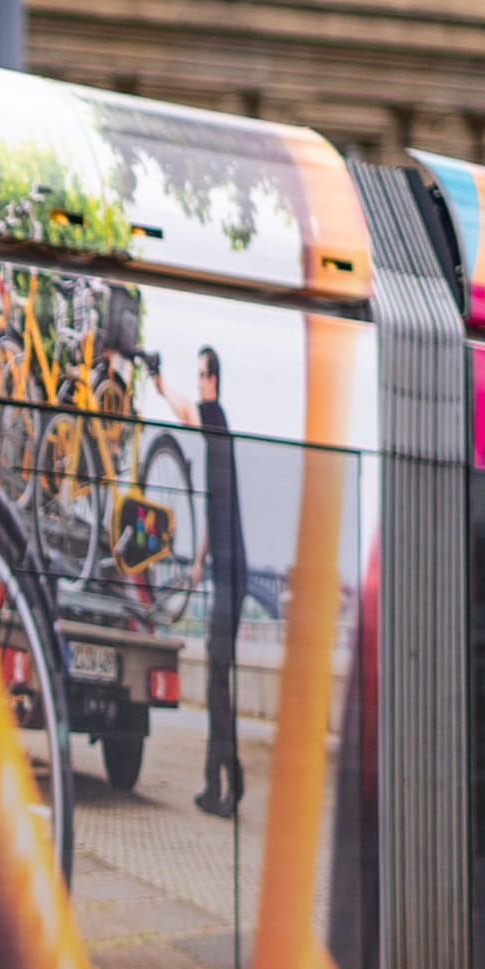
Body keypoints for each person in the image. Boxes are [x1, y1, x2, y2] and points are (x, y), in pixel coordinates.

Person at [190, 343, 253, 822]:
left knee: (216, 684)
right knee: (216, 682)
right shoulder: (220, 438)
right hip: (228, 573)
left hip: (232, 581)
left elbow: (186, 414)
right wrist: (198, 559)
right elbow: (219, 509)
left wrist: (156, 383)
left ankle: (231, 778)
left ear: (213, 381)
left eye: (201, 377)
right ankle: (214, 784)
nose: (198, 386)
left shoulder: (214, 417)